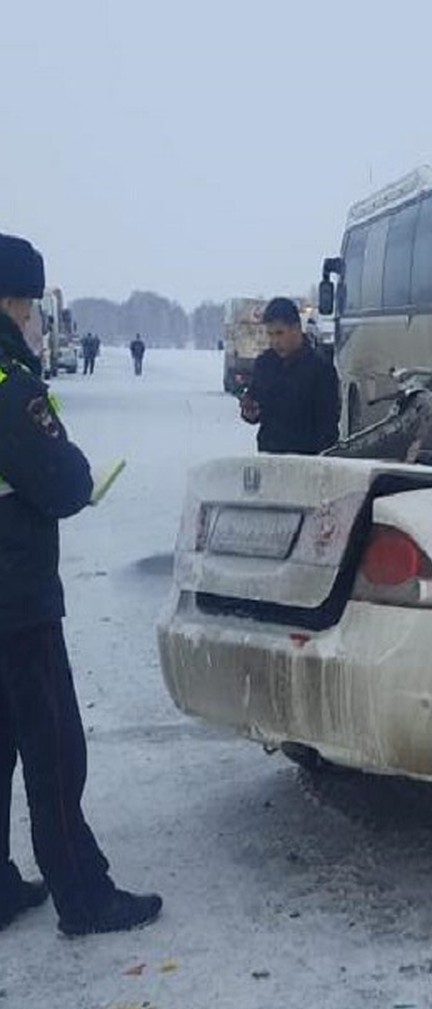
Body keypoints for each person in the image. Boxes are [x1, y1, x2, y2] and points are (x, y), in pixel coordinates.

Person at [0, 233, 161, 936]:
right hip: (16, 597)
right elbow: (64, 481)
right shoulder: (9, 382)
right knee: (55, 744)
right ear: (13, 301)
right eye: (31, 305)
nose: (35, 318)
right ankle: (83, 895)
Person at [239, 297, 340, 454]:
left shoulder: (321, 370)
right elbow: (255, 404)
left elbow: (328, 426)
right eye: (270, 334)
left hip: (307, 461)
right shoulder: (264, 365)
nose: (275, 341)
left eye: (280, 333)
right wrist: (249, 410)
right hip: (270, 457)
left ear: (296, 329)